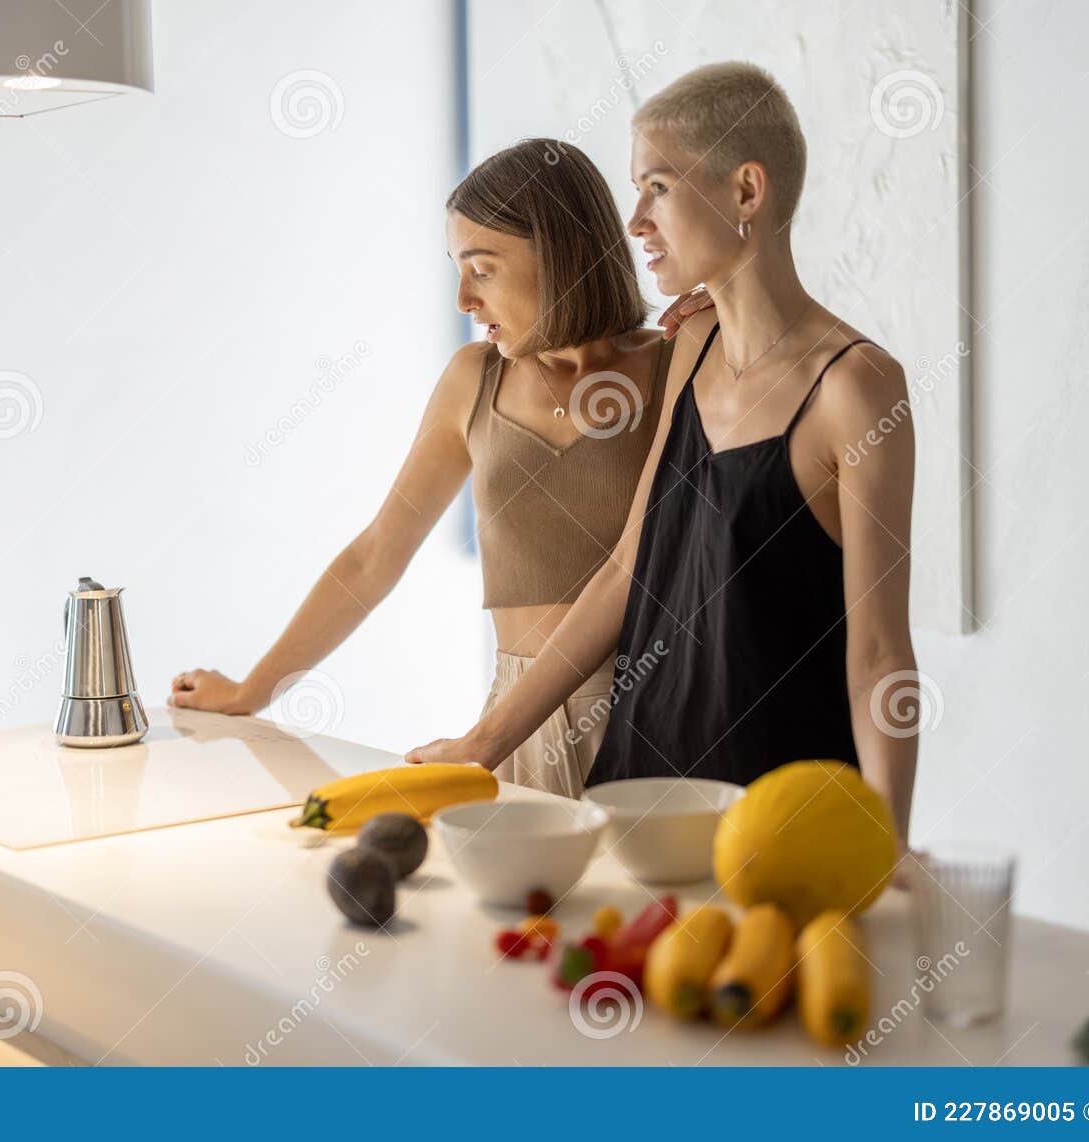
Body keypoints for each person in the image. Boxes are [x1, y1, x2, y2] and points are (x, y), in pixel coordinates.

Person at [408, 63, 919, 843]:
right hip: (637, 795)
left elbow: (879, 652)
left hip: (779, 814)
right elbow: (625, 569)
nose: (635, 220)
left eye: (659, 188)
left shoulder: (858, 388)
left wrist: (887, 847)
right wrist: (484, 744)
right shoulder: (693, 346)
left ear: (747, 192)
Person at [171, 140, 708, 798]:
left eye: (482, 269)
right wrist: (254, 689)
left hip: (658, 710)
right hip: (516, 719)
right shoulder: (473, 381)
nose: (462, 298)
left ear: (561, 256)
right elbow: (375, 557)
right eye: (458, 269)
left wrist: (729, 310)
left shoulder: (679, 362)